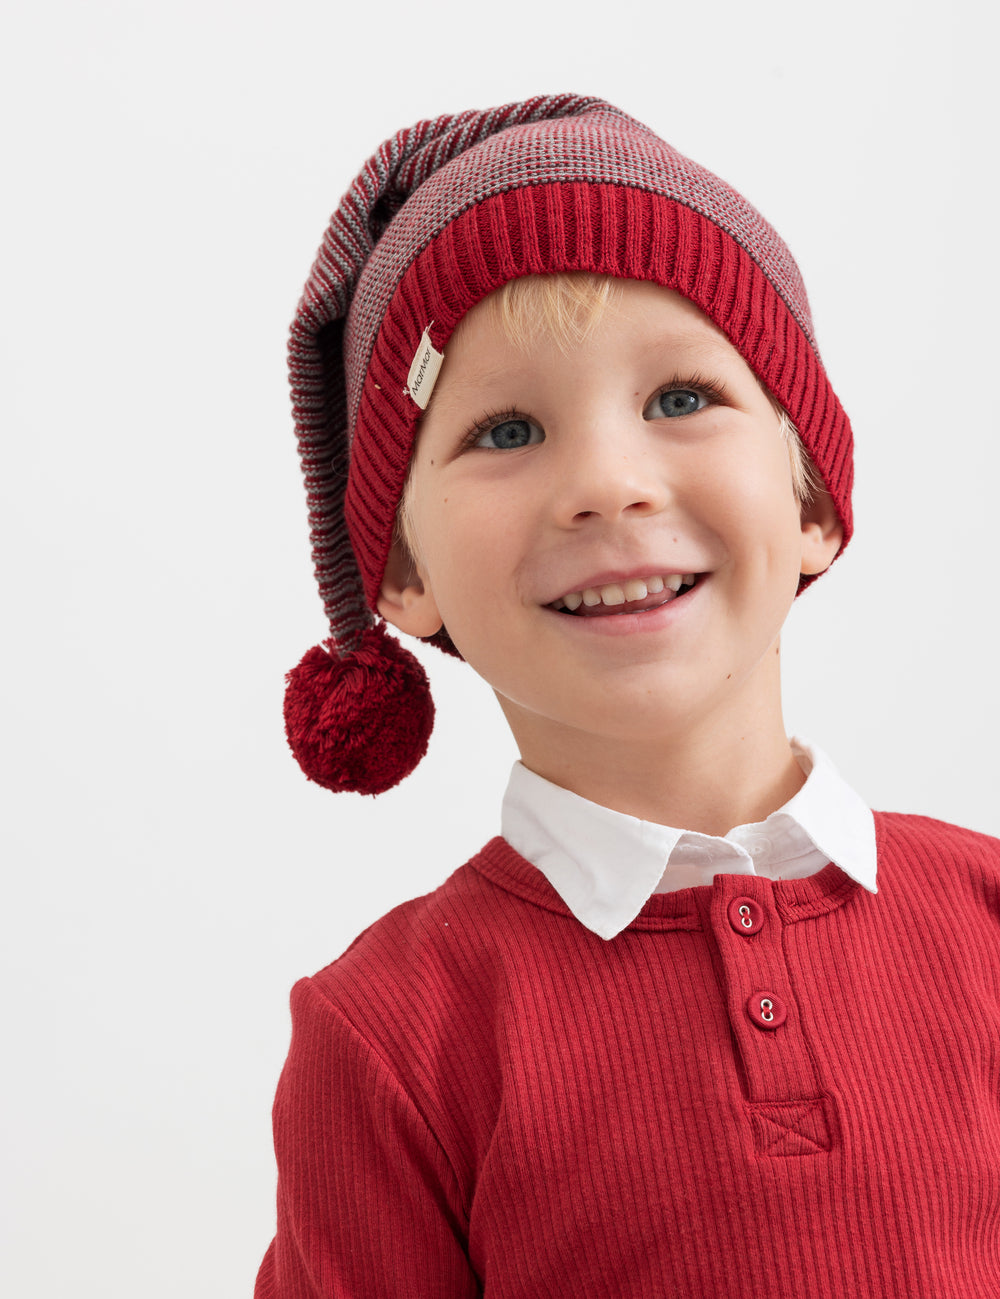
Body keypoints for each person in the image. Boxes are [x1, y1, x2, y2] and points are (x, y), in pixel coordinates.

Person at [256, 95, 1000, 1297]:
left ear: (810, 497)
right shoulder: (389, 1035)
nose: (605, 485)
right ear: (400, 572)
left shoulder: (988, 923)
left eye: (679, 400)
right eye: (505, 428)